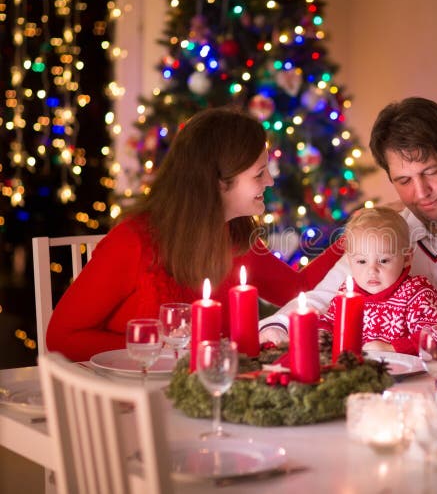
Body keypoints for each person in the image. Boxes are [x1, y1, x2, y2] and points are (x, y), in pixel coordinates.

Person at [47, 107, 342, 361]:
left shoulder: (238, 239)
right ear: (216, 182)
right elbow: (61, 338)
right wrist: (161, 348)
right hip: (131, 403)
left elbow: (300, 287)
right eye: (258, 173)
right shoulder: (134, 242)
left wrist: (355, 239)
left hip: (206, 399)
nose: (270, 180)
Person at [259, 96, 437, 344]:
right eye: (403, 180)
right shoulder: (388, 231)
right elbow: (326, 296)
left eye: (430, 172)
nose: (421, 192)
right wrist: (278, 326)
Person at [319, 206, 437, 354]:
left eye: (383, 260)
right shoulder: (347, 293)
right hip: (357, 371)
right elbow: (329, 322)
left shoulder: (416, 293)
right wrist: (323, 334)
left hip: (411, 374)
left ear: (406, 258)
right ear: (350, 261)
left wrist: (393, 348)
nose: (372, 270)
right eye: (362, 261)